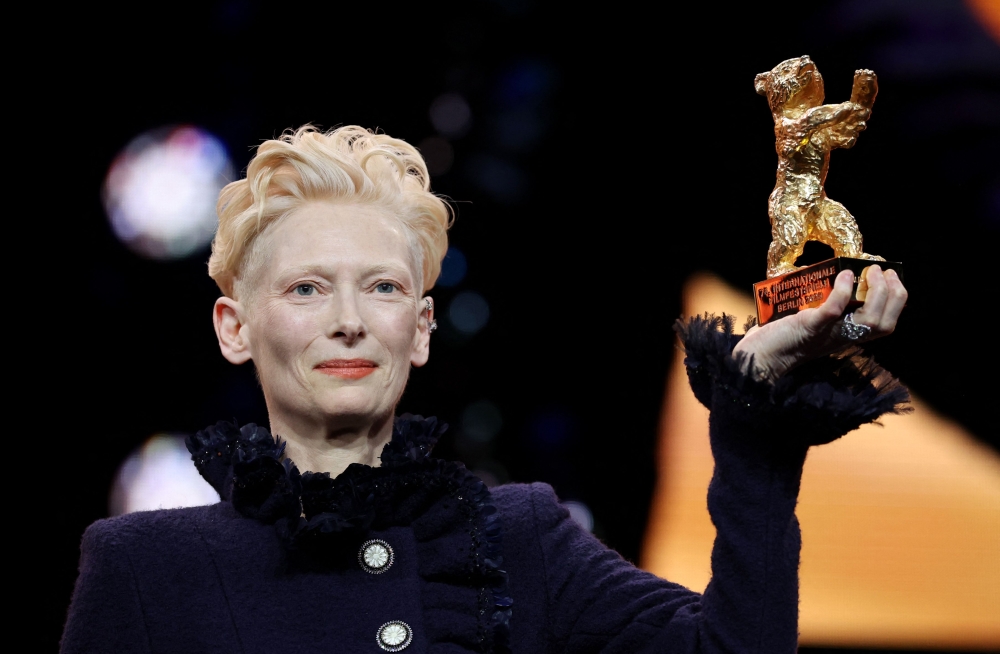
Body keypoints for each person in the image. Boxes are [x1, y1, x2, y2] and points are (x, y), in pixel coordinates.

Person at [61, 126, 909, 654]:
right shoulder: (142, 568)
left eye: (384, 288)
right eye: (307, 289)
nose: (350, 321)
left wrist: (755, 422)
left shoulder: (523, 541)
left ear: (421, 329)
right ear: (232, 328)